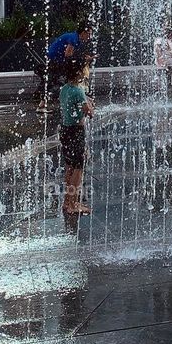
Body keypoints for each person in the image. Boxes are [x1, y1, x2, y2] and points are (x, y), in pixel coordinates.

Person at [58, 57, 93, 221]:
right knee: (78, 168)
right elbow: (89, 112)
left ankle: (67, 202)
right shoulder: (78, 91)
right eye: (84, 69)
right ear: (78, 73)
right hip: (76, 132)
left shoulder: (64, 89)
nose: (86, 72)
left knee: (70, 167)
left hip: (65, 130)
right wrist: (91, 105)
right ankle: (73, 205)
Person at [46, 23, 92, 94]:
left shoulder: (76, 38)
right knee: (75, 68)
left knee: (77, 65)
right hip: (55, 59)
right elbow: (68, 55)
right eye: (88, 34)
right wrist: (83, 59)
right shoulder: (74, 38)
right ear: (83, 33)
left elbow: (70, 54)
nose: (89, 37)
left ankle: (73, 88)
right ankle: (75, 90)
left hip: (57, 58)